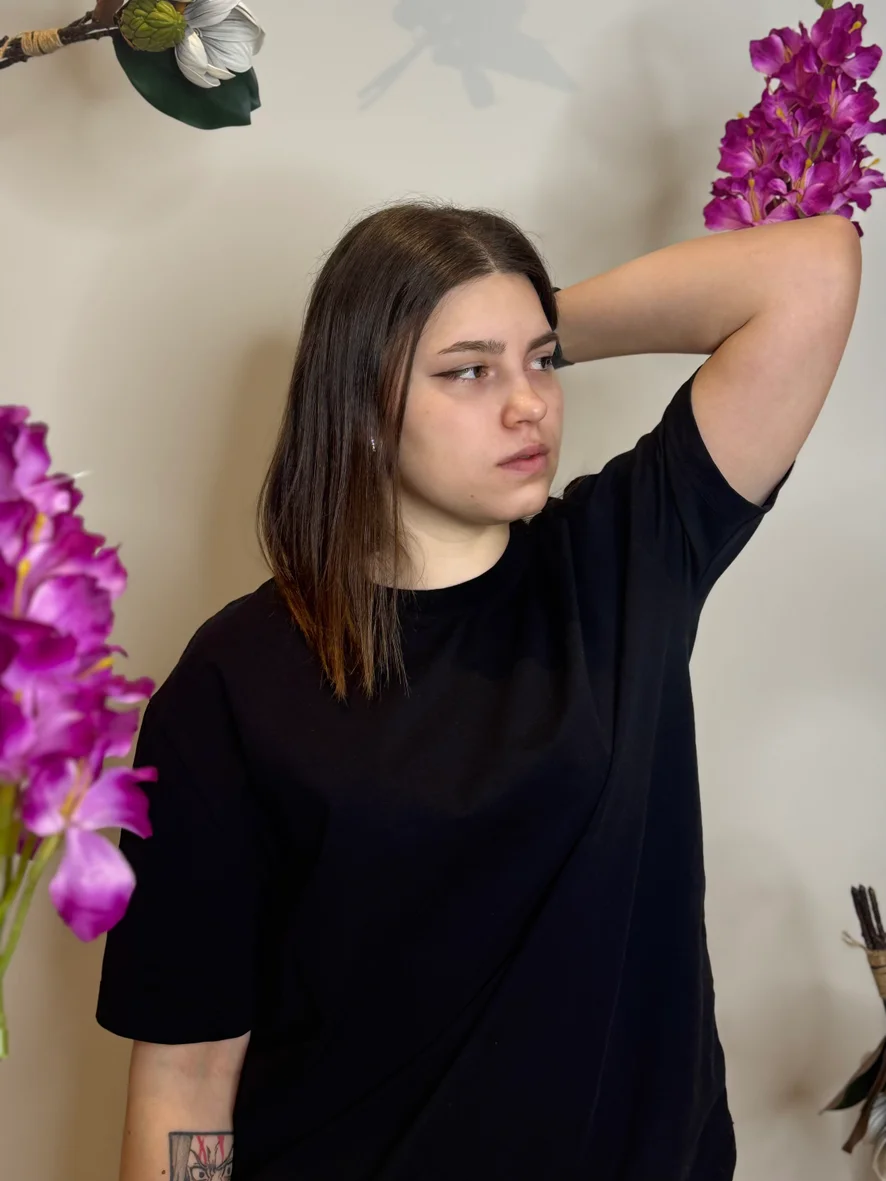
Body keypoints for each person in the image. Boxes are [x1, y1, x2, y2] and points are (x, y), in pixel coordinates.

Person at [96, 201, 861, 1181]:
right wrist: (433, 328)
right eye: (467, 372)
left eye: (540, 364)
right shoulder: (233, 683)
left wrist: (518, 319)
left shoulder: (625, 561)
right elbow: (188, 1074)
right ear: (362, 400)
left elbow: (814, 269)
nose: (528, 404)